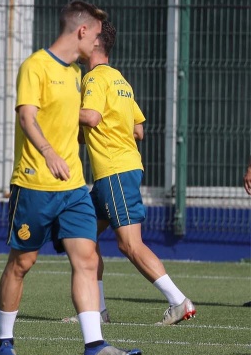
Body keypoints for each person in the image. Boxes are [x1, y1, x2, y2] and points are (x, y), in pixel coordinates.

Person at [0, 0, 141, 355]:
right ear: (81, 31)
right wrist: (48, 152)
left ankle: (95, 346)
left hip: (73, 187)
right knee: (22, 263)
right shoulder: (35, 66)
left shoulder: (78, 74)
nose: (98, 43)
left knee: (87, 259)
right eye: (95, 35)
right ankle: (4, 343)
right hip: (35, 183)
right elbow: (27, 118)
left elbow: (69, 126)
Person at [63, 20, 196, 326]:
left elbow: (92, 117)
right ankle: (97, 311)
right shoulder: (120, 79)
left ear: (95, 44)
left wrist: (58, 108)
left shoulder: (94, 78)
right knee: (83, 237)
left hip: (115, 172)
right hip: (115, 173)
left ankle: (179, 301)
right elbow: (138, 130)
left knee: (129, 244)